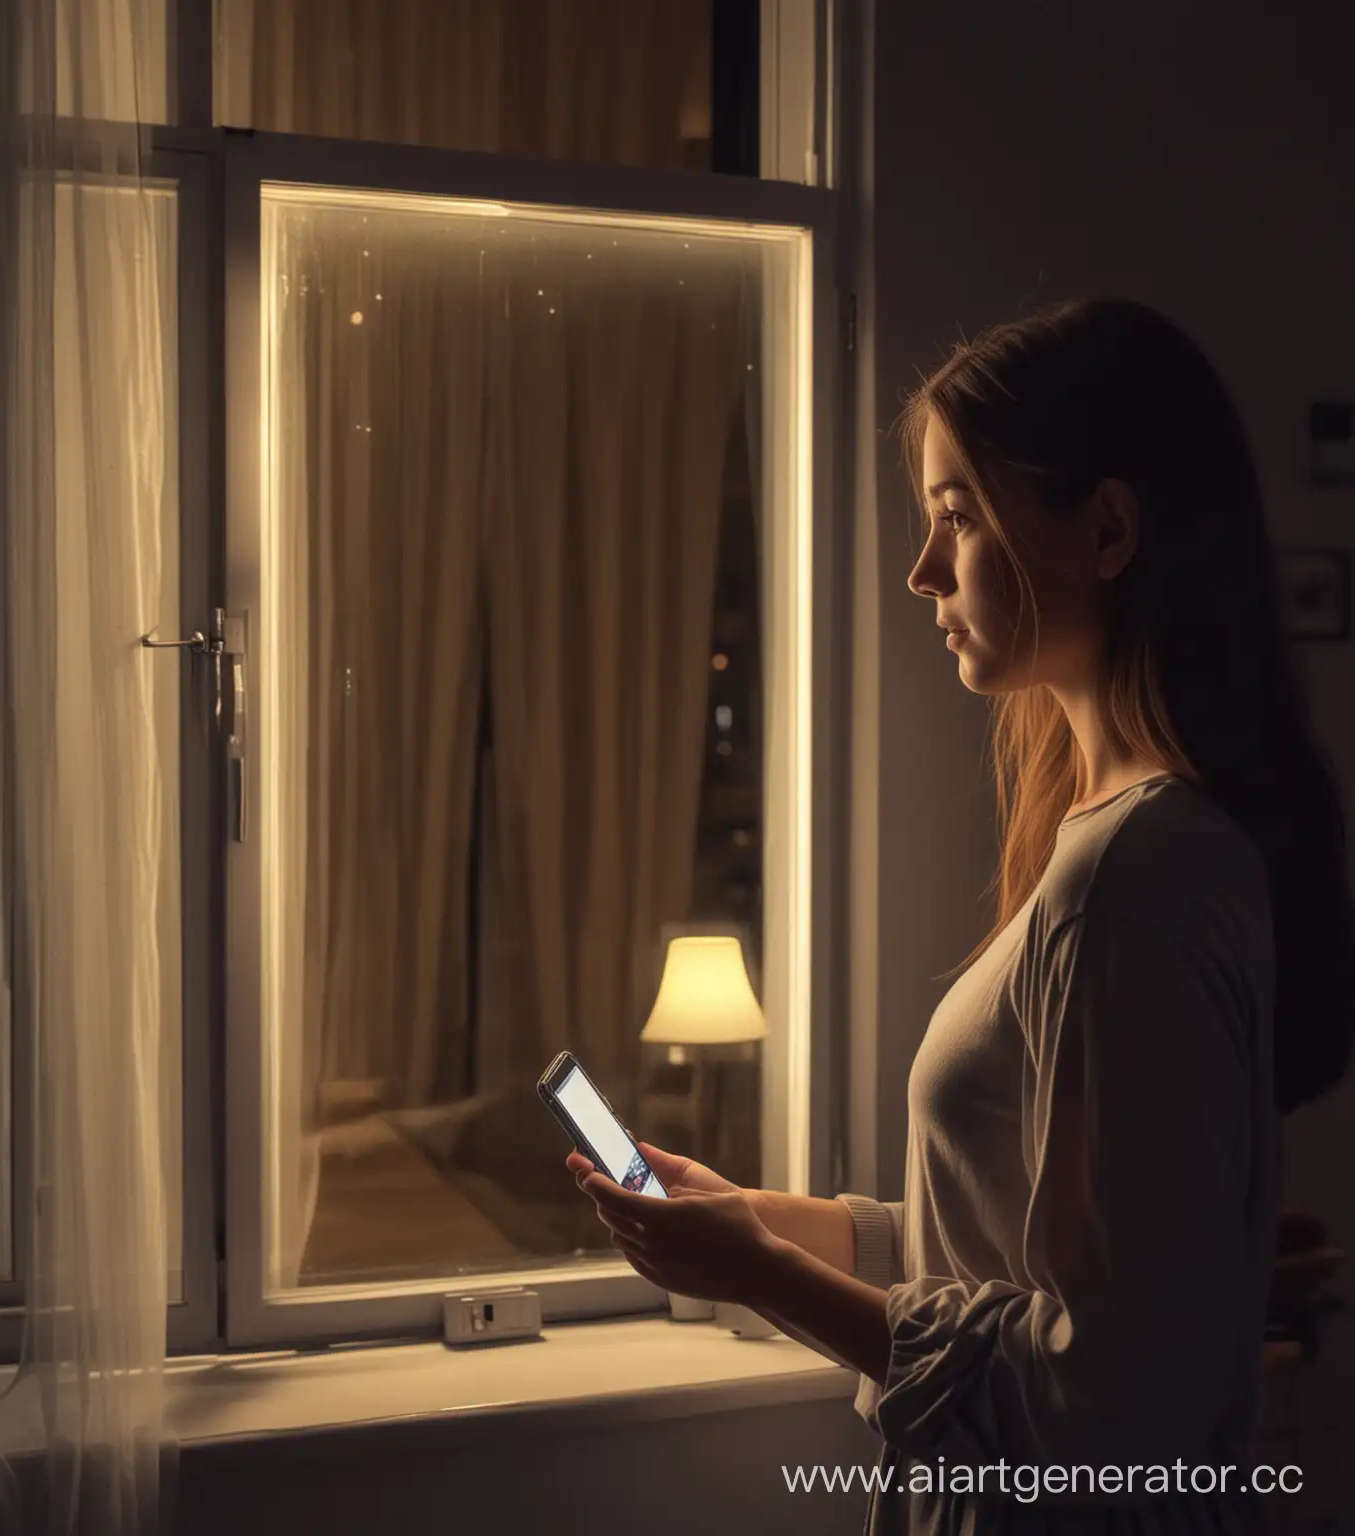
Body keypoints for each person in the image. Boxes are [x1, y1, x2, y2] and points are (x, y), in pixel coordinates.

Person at [568, 296, 1355, 1533]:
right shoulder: (1108, 845)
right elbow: (1006, 1260)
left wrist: (765, 1277)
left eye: (958, 519)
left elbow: (1100, 1408)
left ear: (1104, 531)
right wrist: (765, 1224)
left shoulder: (1139, 880)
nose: (923, 570)